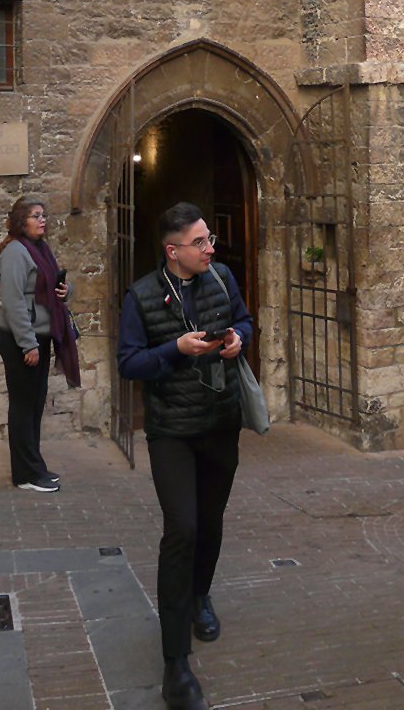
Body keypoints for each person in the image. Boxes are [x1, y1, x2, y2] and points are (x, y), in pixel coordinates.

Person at [118, 202, 253, 710]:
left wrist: (238, 339)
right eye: (199, 242)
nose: (210, 248)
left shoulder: (222, 278)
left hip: (219, 422)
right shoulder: (141, 296)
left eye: (209, 238)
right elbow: (129, 363)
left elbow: (245, 321)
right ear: (172, 251)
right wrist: (176, 349)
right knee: (183, 530)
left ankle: (200, 595)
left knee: (210, 523)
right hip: (171, 431)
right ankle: (175, 664)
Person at [0, 196, 80, 493]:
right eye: (35, 215)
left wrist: (66, 290)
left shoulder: (40, 249)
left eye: (44, 214)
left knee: (34, 403)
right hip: (21, 338)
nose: (42, 220)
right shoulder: (15, 253)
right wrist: (27, 345)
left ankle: (33, 466)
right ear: (21, 221)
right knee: (23, 405)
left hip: (39, 336)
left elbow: (48, 288)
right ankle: (26, 474)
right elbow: (14, 303)